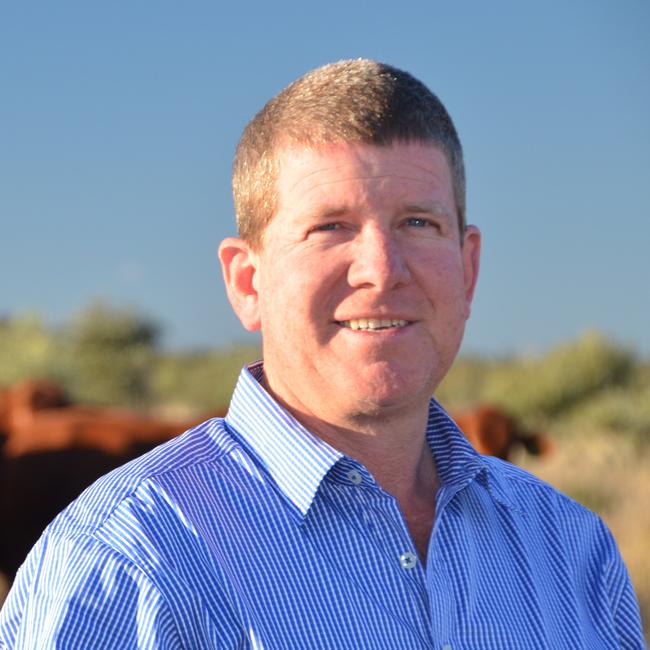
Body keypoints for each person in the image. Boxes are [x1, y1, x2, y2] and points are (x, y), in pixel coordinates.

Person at [0, 60, 643, 648]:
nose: (383, 270)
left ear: (468, 269)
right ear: (247, 282)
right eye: (330, 226)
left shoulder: (572, 553)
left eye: (419, 223)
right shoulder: (122, 568)